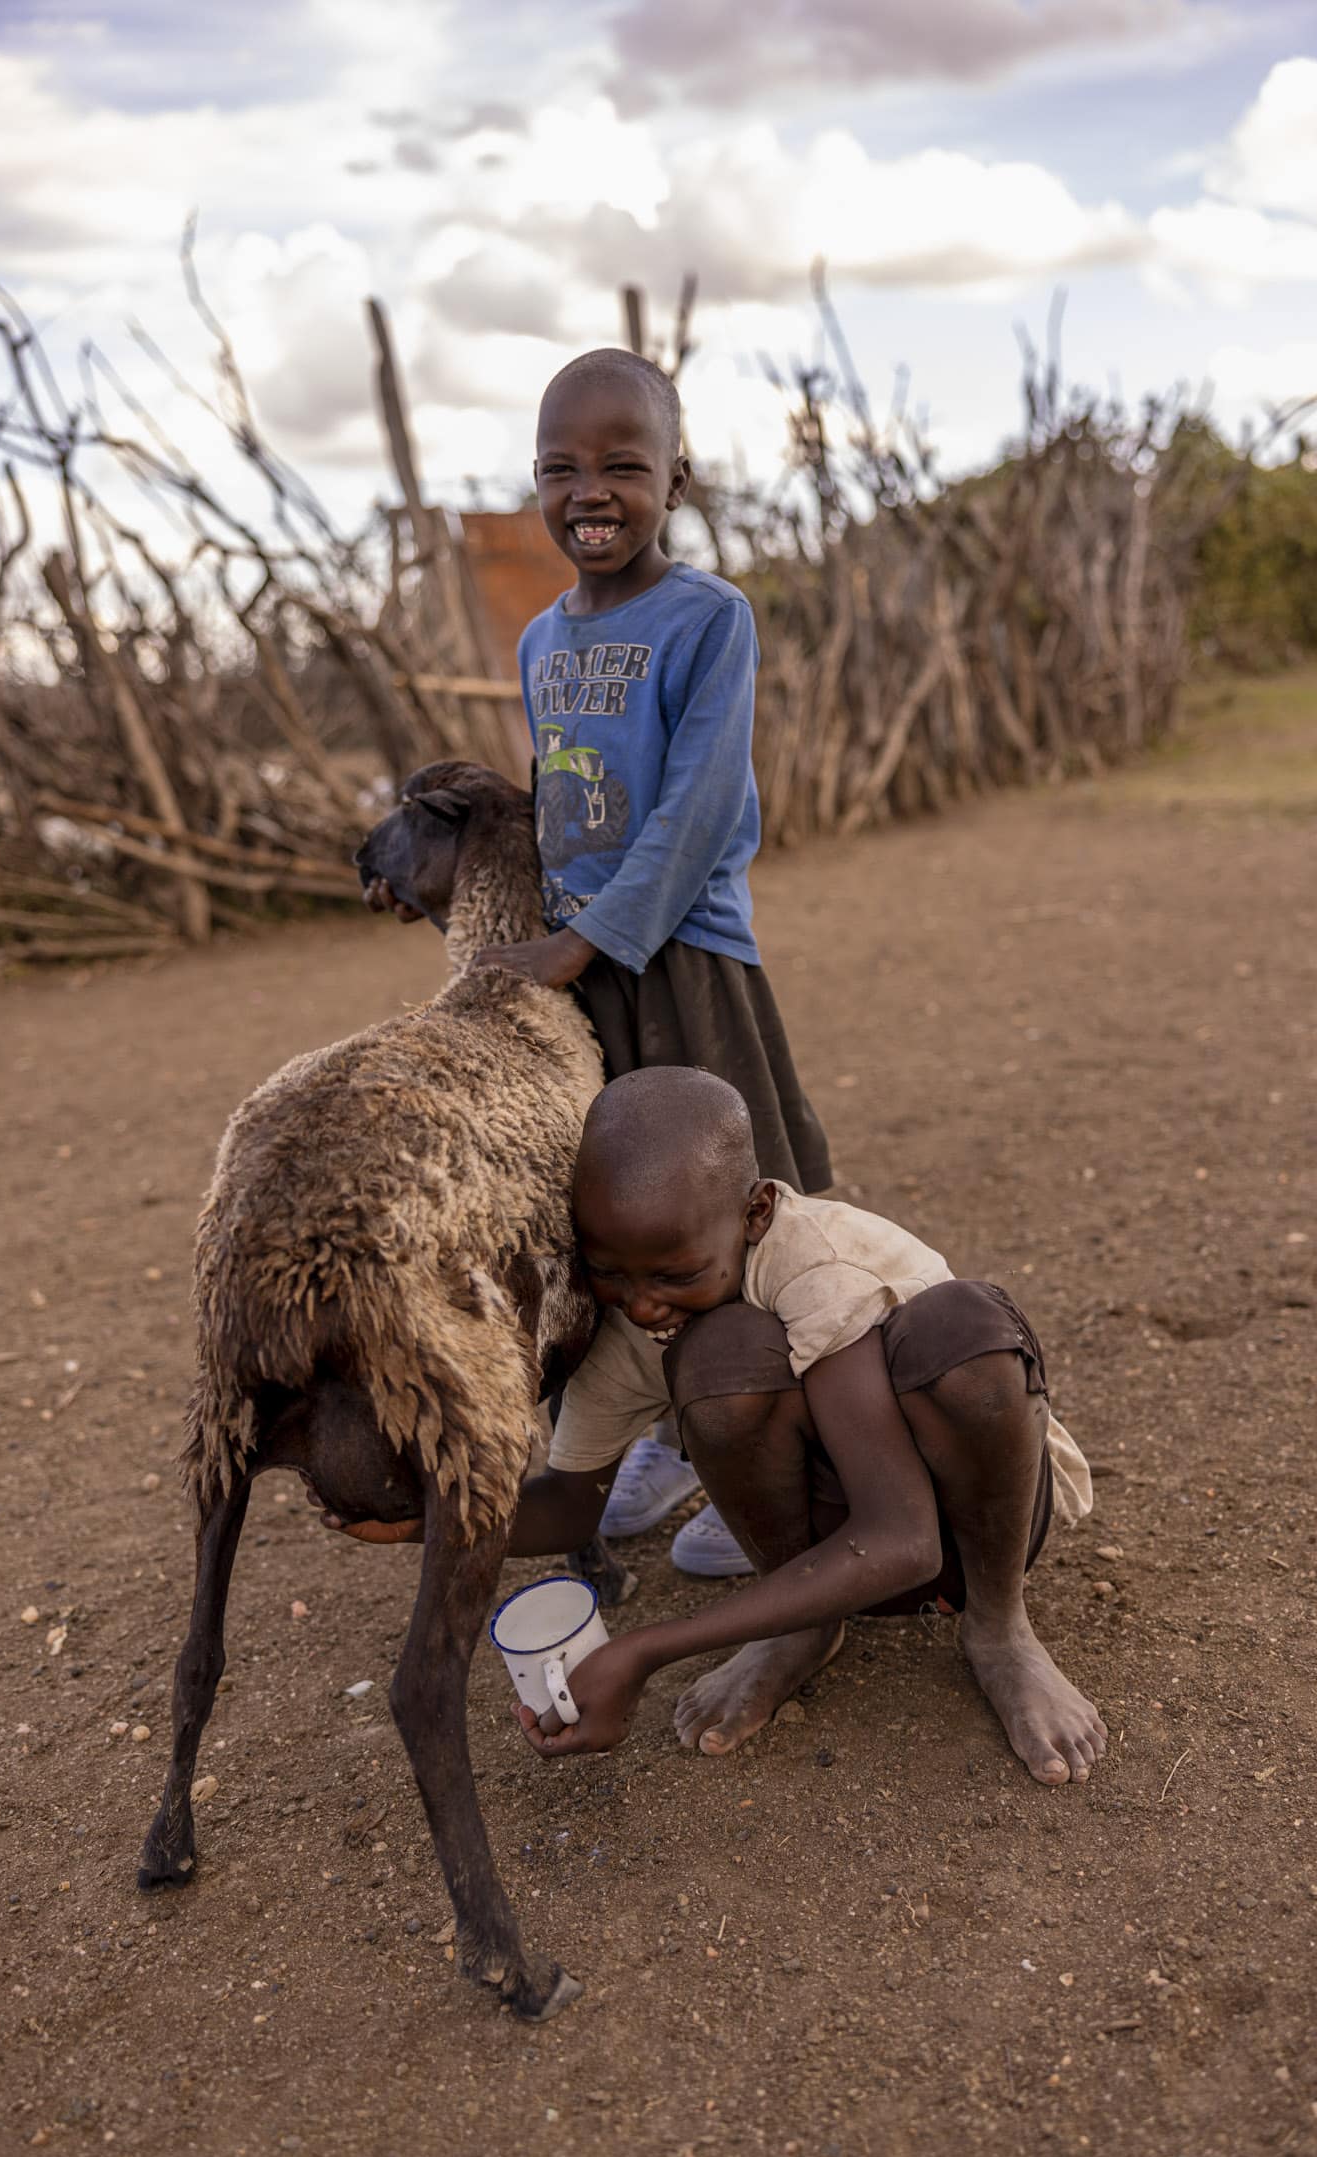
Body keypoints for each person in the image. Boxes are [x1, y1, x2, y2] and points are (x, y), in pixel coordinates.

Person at [323, 1069, 1107, 1789]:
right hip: (838, 1553)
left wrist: (643, 1649)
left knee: (958, 1330)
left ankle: (1000, 1629)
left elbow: (905, 1539)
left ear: (756, 1211)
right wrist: (424, 1517)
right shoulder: (637, 1320)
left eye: (674, 1275)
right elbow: (570, 1501)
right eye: (610, 1272)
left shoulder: (817, 1266)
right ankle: (799, 1627)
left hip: (969, 1526)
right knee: (717, 1353)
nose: (641, 1304)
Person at [474, 346, 831, 1573]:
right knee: (621, 1221)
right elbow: (558, 803)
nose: (592, 490)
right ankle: (660, 1428)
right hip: (589, 979)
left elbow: (690, 812)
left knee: (736, 1209)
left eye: (624, 464)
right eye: (561, 467)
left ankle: (767, 1458)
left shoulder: (709, 619)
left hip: (684, 960)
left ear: (676, 476)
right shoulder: (538, 641)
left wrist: (582, 940)